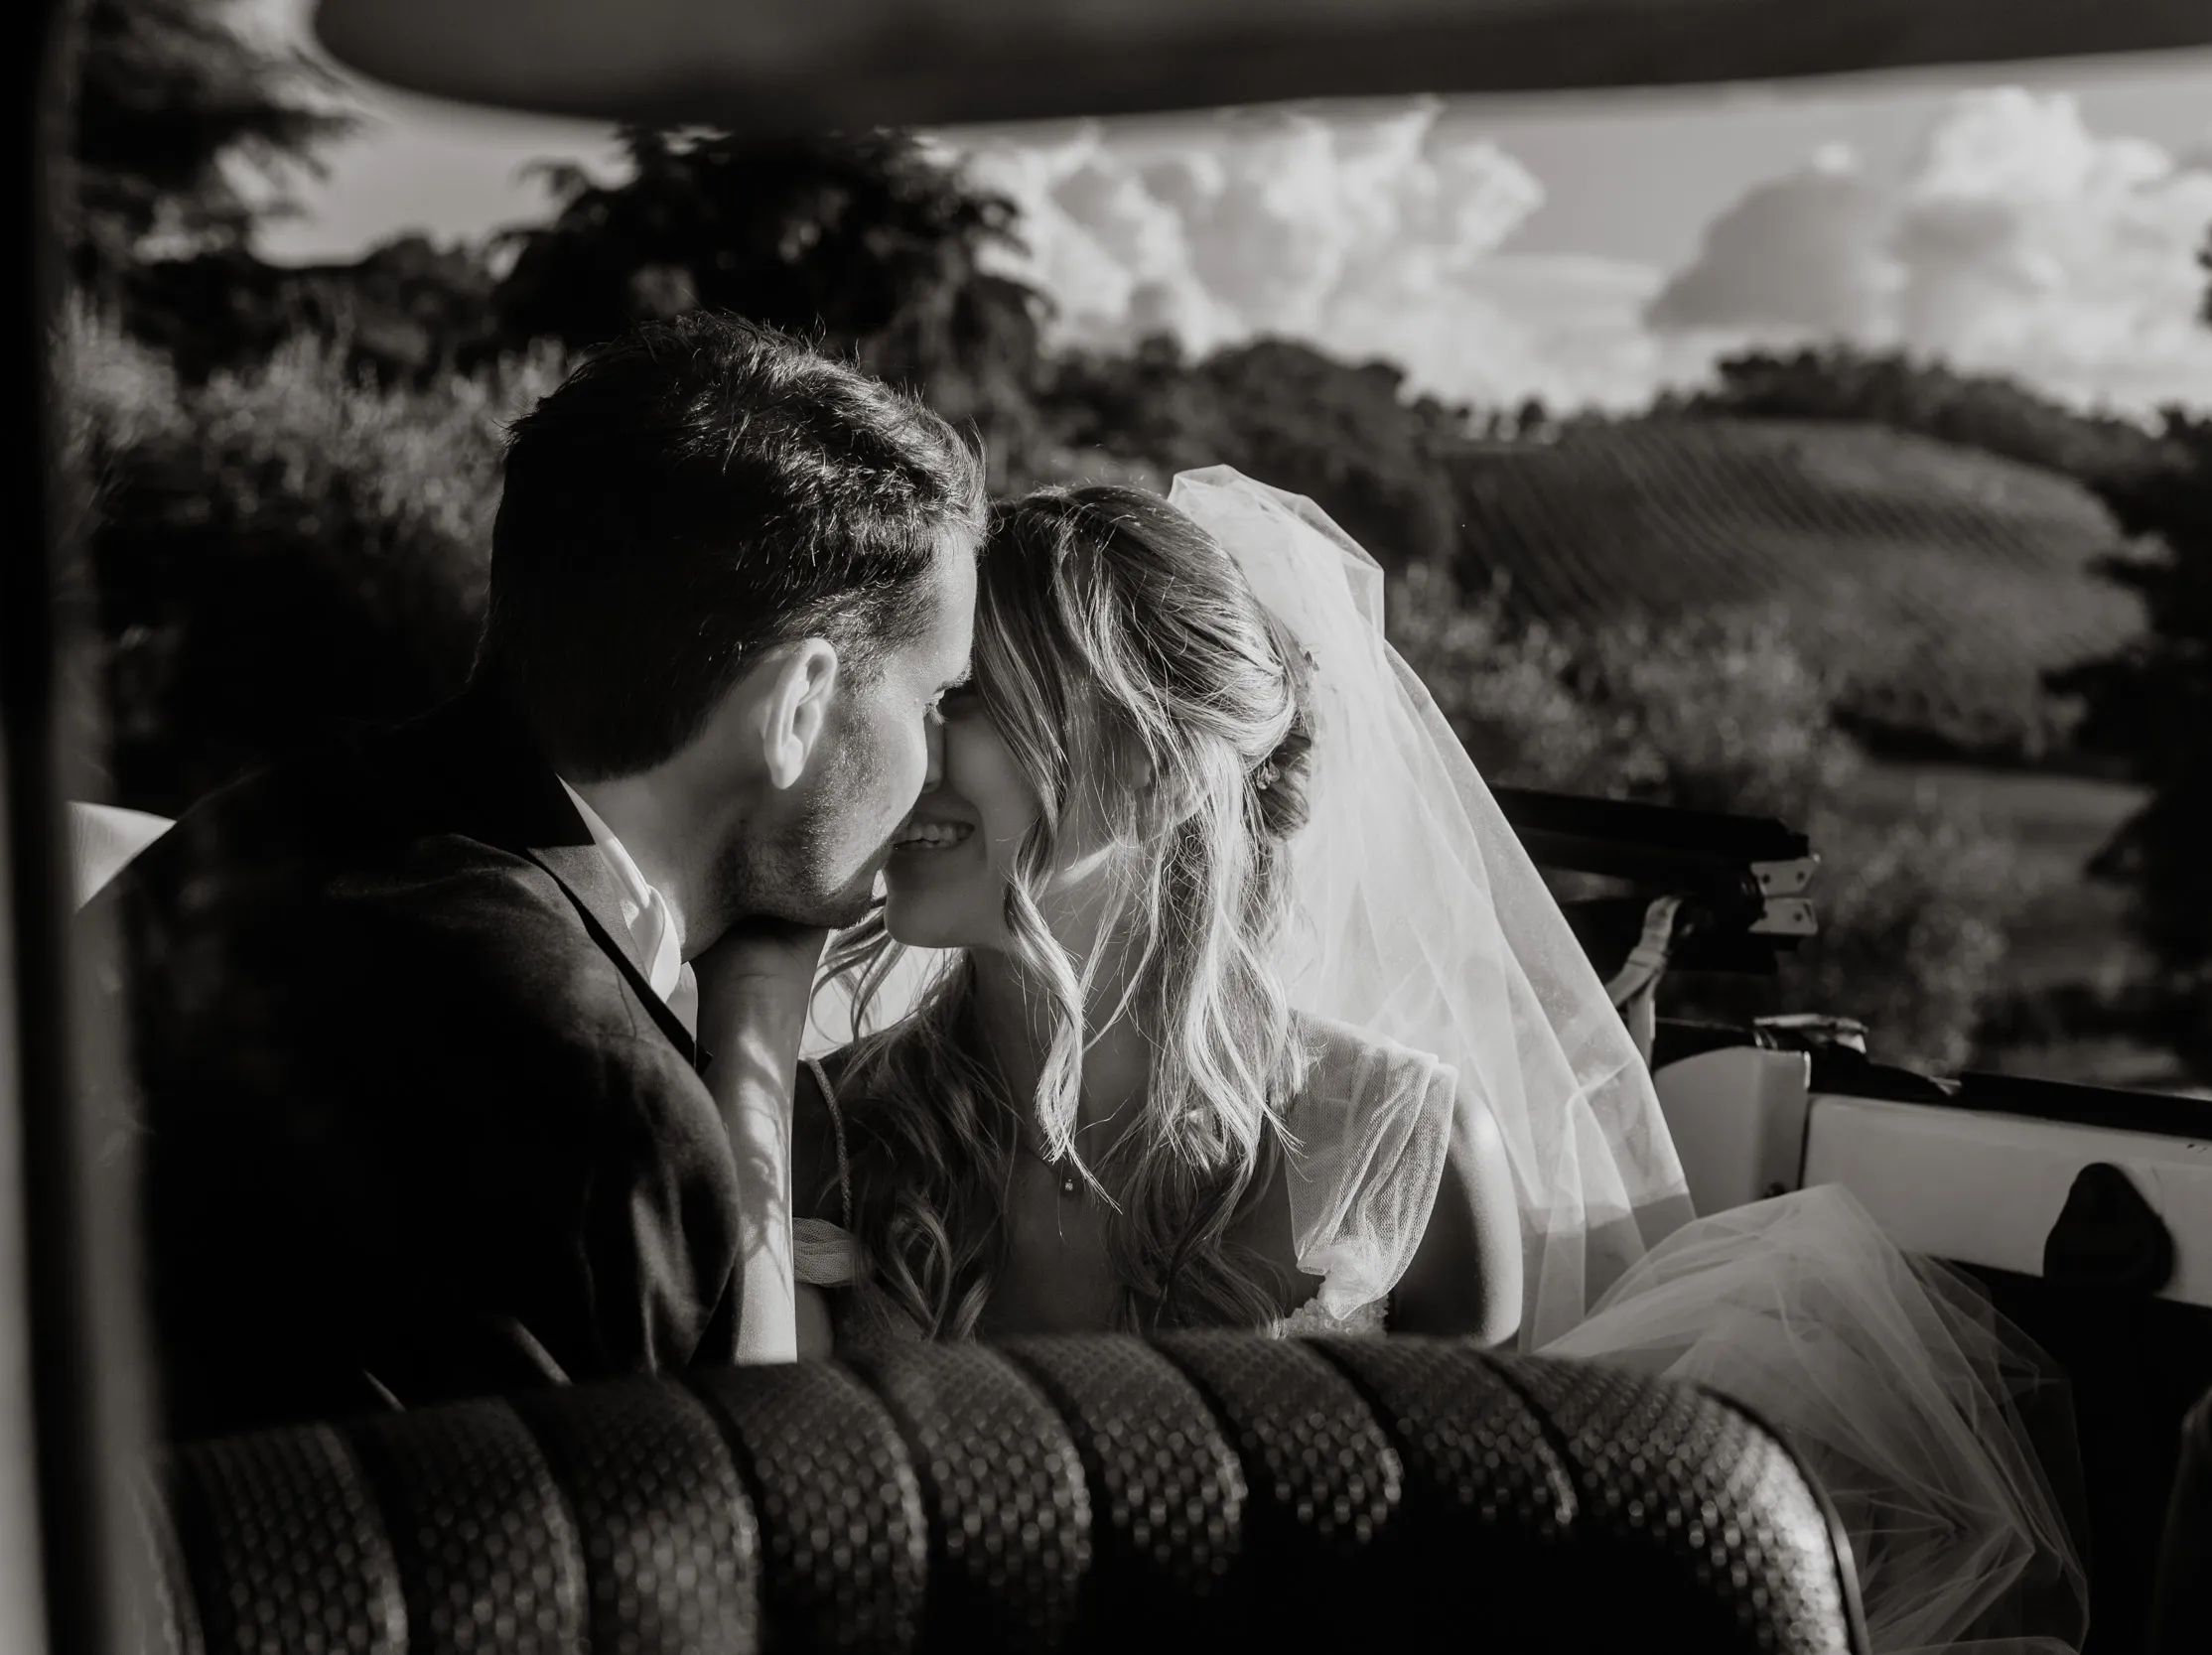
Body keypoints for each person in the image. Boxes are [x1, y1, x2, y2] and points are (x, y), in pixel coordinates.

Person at [782, 469, 2086, 1654]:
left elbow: (1468, 1608)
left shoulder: (1410, 1152)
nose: (899, 749)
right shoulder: (820, 1130)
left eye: (968, 700)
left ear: (1158, 760)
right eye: (917, 697)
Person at [82, 312, 983, 1441]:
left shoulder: (257, 827)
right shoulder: (597, 1100)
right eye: (933, 698)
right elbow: (719, 1518)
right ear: (798, 705)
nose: (938, 757)